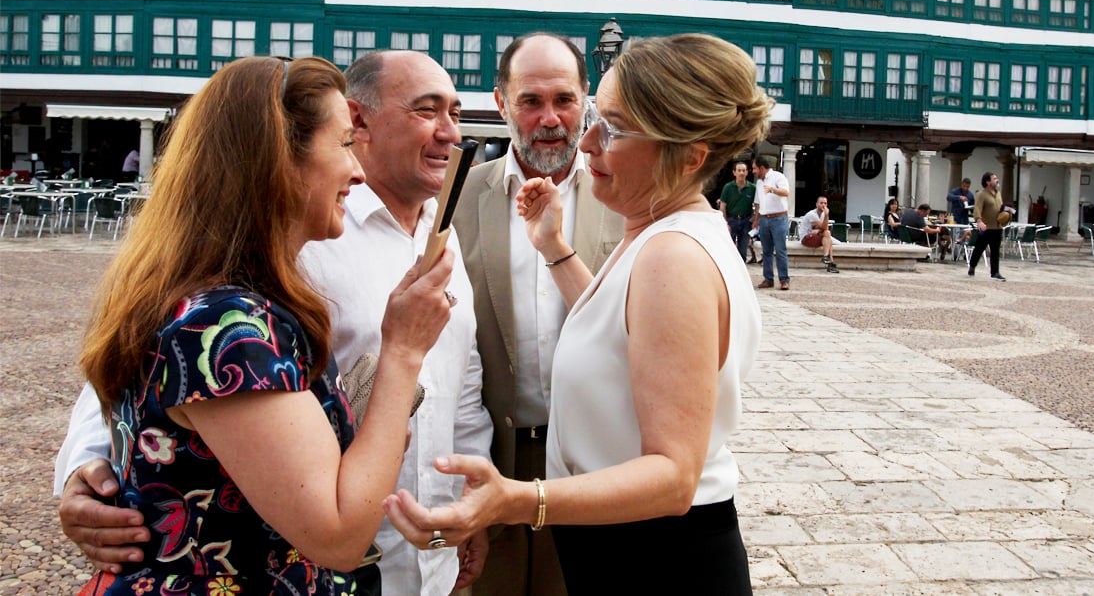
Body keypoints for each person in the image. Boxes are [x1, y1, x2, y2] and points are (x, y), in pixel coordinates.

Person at [55, 51, 495, 596]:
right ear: (280, 161)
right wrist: (403, 351)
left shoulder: (432, 233)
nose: (354, 169)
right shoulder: (229, 315)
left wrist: (466, 502)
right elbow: (334, 535)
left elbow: (464, 386)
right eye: (341, 145)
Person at [384, 32, 770, 595]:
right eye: (596, 119)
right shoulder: (663, 236)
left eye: (612, 128)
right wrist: (556, 250)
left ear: (688, 155)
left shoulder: (672, 256)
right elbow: (622, 335)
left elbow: (673, 476)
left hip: (654, 557)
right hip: (632, 543)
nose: (585, 142)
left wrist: (519, 498)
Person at [452, 33, 623, 596]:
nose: (550, 119)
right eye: (530, 101)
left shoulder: (626, 199)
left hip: (590, 465)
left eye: (564, 100)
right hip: (489, 460)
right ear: (501, 103)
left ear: (586, 99)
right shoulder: (455, 197)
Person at [752, 154, 790, 290]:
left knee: (780, 250)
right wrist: (756, 220)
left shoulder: (778, 177)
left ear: (762, 168)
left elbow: (786, 192)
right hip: (764, 218)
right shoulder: (759, 182)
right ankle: (768, 279)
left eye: (755, 169)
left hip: (778, 218)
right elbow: (758, 202)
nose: (753, 171)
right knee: (766, 251)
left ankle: (784, 279)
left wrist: (772, 189)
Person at [969, 171, 1007, 281]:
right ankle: (972, 266)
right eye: (994, 178)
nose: (997, 180)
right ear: (988, 182)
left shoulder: (998, 193)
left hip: (997, 227)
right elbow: (977, 209)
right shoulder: (982, 194)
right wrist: (979, 221)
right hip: (986, 227)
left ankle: (995, 272)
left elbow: (1001, 207)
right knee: (979, 248)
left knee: (995, 250)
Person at [718, 161, 755, 262]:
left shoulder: (752, 188)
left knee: (743, 251)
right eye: (739, 170)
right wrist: (725, 223)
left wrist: (754, 219)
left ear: (747, 172)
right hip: (731, 220)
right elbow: (723, 206)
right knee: (728, 249)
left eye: (743, 170)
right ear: (734, 172)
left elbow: (757, 205)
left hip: (746, 221)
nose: (741, 173)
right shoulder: (728, 187)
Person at [798, 195, 840, 273]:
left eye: (825, 203)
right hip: (806, 238)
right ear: (817, 204)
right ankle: (830, 262)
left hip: (815, 236)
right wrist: (827, 216)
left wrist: (819, 230)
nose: (823, 205)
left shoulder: (823, 214)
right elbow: (824, 227)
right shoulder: (812, 214)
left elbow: (825, 229)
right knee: (828, 237)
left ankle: (828, 261)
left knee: (827, 235)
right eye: (821, 203)